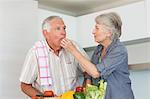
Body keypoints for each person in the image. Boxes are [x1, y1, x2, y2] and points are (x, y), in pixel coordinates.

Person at [60, 12, 134, 99]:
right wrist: (87, 93)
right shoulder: (99, 49)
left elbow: (95, 73)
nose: (93, 32)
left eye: (97, 28)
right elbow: (89, 74)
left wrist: (72, 50)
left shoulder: (119, 50)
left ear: (109, 33)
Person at [19, 16, 89, 98]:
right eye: (58, 28)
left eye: (64, 28)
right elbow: (25, 86)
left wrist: (83, 93)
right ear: (46, 33)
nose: (63, 32)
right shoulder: (35, 52)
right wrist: (44, 98)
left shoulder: (74, 47)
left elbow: (88, 73)